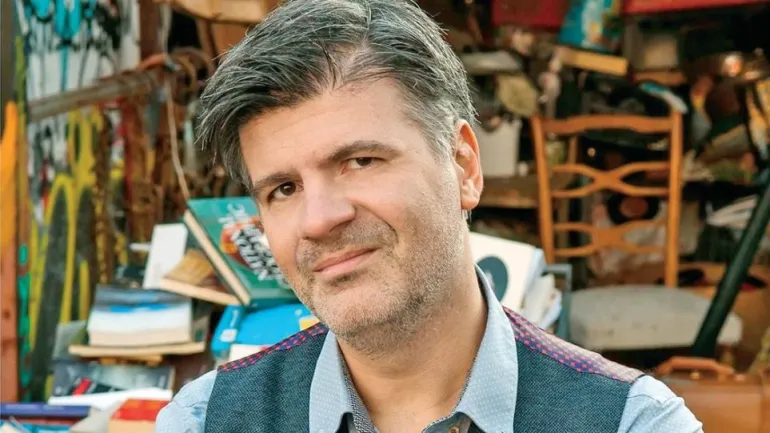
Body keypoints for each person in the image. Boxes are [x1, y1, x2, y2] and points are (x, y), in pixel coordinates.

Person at [155, 1, 704, 432]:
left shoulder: (631, 422)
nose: (319, 220)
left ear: (464, 166)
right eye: (283, 189)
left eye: (360, 161)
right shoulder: (204, 420)